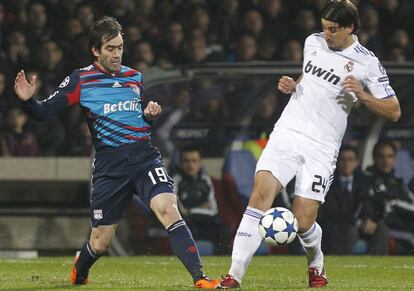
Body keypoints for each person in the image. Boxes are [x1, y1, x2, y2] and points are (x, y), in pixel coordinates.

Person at [14, 16, 219, 289]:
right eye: (110, 48)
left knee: (169, 209)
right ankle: (81, 266)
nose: (117, 54)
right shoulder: (81, 80)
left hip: (144, 157)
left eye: (120, 47)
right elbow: (44, 113)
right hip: (110, 167)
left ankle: (200, 279)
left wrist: (147, 117)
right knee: (100, 243)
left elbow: (133, 119)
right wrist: (28, 102)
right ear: (96, 50)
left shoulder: (134, 77)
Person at [218, 1, 401, 288]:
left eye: (333, 29)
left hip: (322, 146)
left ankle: (316, 265)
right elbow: (311, 75)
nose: (325, 34)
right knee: (259, 197)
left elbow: (394, 110)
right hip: (288, 132)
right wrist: (296, 85)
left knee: (302, 222)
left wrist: (363, 96)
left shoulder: (367, 62)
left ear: (350, 28)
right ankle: (233, 276)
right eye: (324, 27)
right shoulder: (312, 42)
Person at [173, 146, 229, 255]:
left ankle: (223, 264)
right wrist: (201, 207)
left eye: (194, 161)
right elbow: (181, 211)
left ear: (200, 163)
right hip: (187, 223)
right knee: (187, 230)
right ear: (180, 163)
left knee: (223, 231)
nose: (191, 165)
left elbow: (213, 210)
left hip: (206, 221)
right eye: (187, 161)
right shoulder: (174, 182)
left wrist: (191, 209)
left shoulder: (205, 181)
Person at [361, 141, 412, 255]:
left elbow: (410, 205)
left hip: (402, 225)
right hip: (380, 226)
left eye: (390, 156)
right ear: (374, 157)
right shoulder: (367, 179)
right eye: (381, 156)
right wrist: (369, 217)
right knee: (382, 230)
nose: (386, 160)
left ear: (394, 159)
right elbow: (366, 201)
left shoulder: (398, 183)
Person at [318, 145, 367, 255]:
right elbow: (329, 210)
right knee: (335, 229)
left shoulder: (363, 182)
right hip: (333, 224)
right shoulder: (328, 182)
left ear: (357, 162)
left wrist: (367, 218)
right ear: (337, 162)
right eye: (343, 159)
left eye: (351, 160)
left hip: (357, 225)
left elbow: (367, 203)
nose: (347, 163)